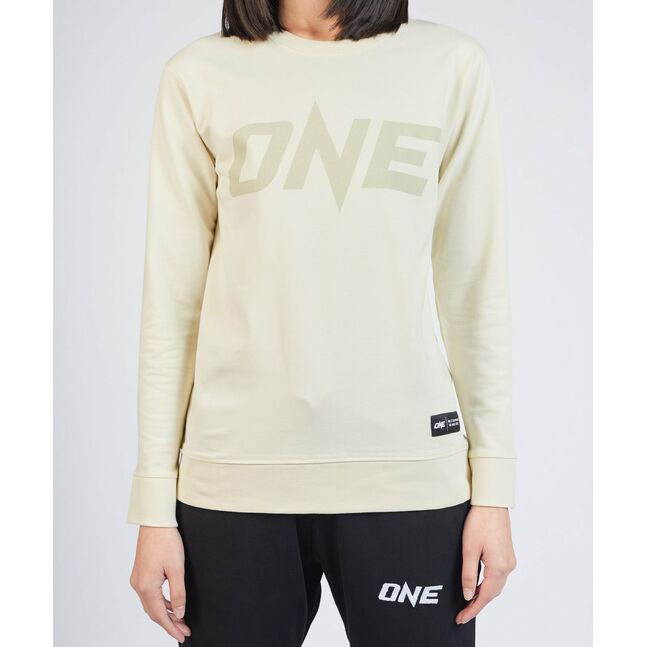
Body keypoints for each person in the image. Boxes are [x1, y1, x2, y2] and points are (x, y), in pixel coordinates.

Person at [127, 1, 517, 645]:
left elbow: (474, 291)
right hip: (233, 481)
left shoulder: (449, 66)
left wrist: (494, 489)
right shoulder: (198, 75)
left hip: (409, 475)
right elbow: (172, 307)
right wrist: (153, 507)